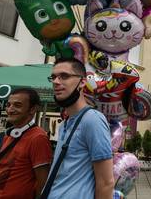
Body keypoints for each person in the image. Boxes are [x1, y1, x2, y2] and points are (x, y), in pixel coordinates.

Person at [45, 57, 114, 199]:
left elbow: (106, 183)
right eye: (53, 77)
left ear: (82, 82)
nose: (56, 82)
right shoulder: (65, 123)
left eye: (64, 76)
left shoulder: (92, 120)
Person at [0, 88, 53, 199]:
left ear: (32, 109)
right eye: (8, 105)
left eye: (17, 105)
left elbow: (43, 183)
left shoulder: (38, 138)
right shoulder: (10, 135)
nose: (10, 109)